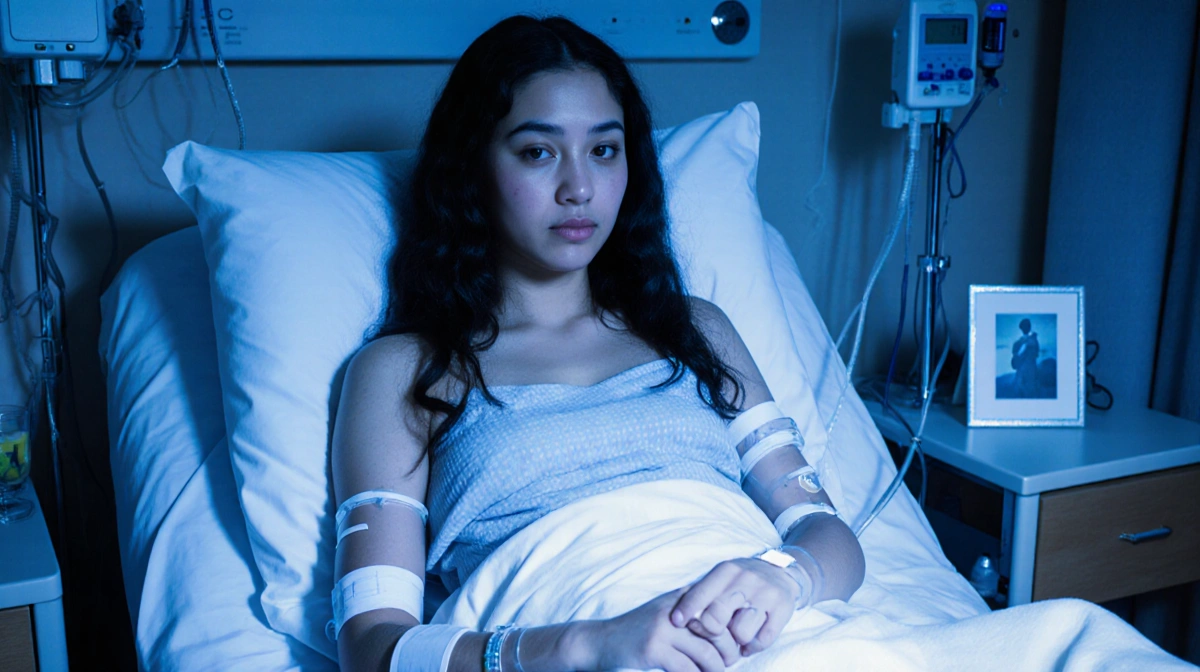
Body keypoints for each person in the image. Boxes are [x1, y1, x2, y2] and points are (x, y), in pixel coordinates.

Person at [330, 15, 865, 672]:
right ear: (470, 167)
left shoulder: (694, 329)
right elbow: (372, 645)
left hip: (784, 638)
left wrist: (784, 575)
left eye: (604, 150)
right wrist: (589, 643)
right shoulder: (406, 371)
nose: (579, 188)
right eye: (538, 151)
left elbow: (827, 534)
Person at [1011, 318, 1039, 398]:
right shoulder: (1034, 340)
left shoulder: (1018, 343)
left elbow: (1015, 358)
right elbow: (1036, 354)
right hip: (1031, 370)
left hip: (1023, 372)